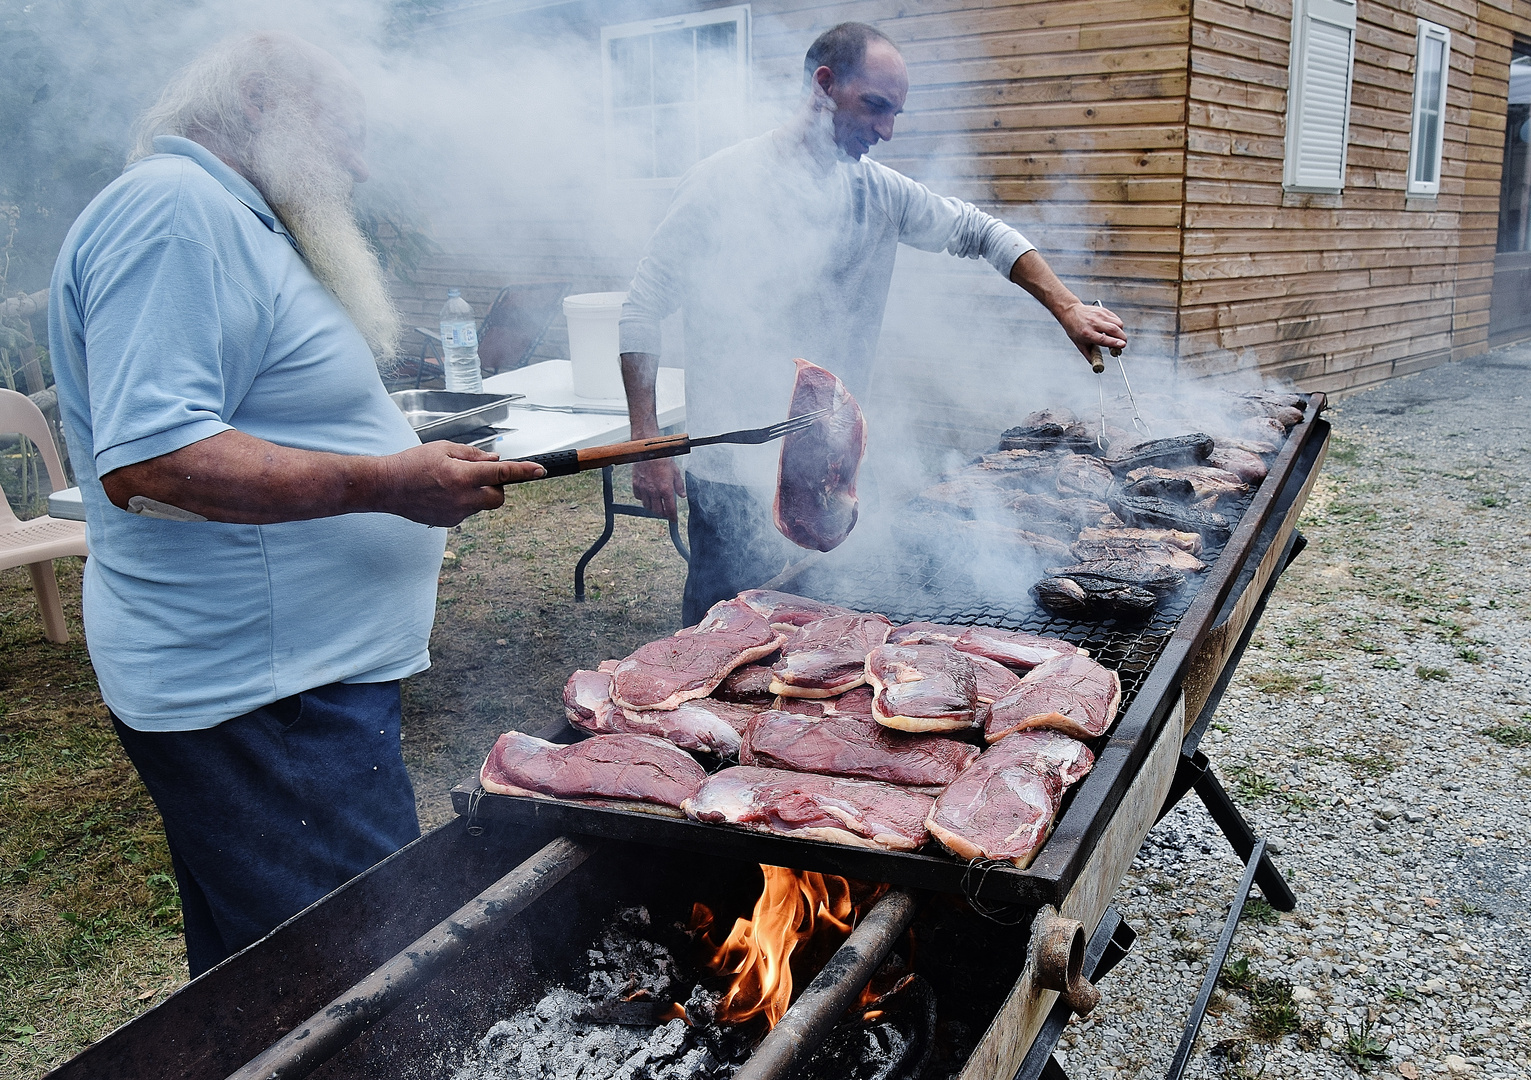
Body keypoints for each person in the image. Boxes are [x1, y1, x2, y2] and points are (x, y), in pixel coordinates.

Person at [47, 31, 543, 977]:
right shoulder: (173, 211)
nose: (359, 163)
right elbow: (156, 456)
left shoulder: (232, 218)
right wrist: (389, 482)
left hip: (291, 686)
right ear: (255, 108)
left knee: (261, 981)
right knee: (364, 982)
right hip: (263, 696)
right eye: (342, 133)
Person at [619, 22, 1128, 626]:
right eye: (875, 107)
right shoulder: (720, 184)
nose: (885, 131)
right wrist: (647, 446)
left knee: (817, 630)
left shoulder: (880, 193)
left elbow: (982, 232)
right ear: (825, 85)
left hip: (831, 461)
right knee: (720, 631)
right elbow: (642, 310)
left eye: (896, 114)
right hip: (732, 470)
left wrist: (1067, 306)